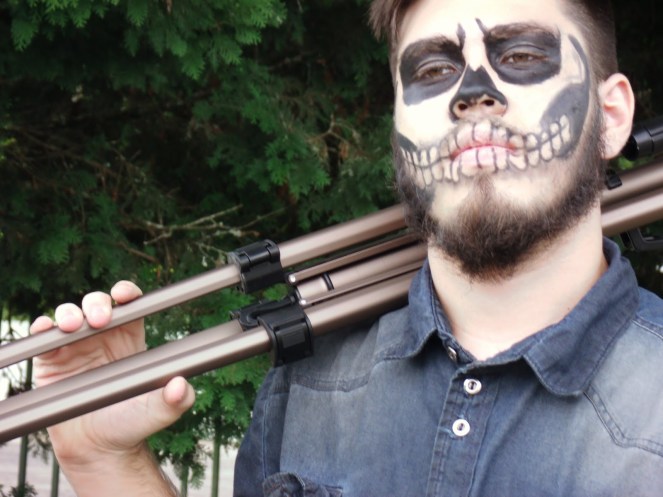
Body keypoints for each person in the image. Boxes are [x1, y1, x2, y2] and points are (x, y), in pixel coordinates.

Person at [30, 0, 663, 495]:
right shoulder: (311, 380)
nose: (473, 92)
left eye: (520, 55)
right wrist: (104, 462)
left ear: (611, 117)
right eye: (433, 71)